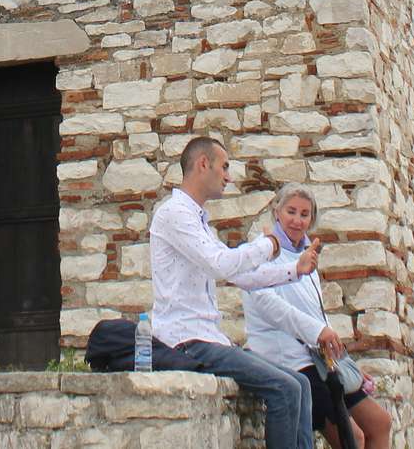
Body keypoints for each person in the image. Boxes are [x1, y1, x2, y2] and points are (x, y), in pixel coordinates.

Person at [150, 136, 320, 449]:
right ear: (204, 164)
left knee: (300, 384)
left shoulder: (200, 222)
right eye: (225, 167)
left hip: (209, 339)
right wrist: (268, 244)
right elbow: (221, 265)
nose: (229, 176)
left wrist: (294, 270)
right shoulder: (174, 214)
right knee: (285, 388)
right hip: (188, 341)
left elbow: (240, 275)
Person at [243, 183, 396, 449]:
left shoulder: (307, 257)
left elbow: (316, 313)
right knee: (353, 438)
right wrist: (317, 332)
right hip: (288, 360)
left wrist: (342, 359)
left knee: (380, 422)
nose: (297, 220)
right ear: (276, 211)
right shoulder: (262, 251)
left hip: (318, 360)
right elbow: (269, 306)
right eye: (291, 211)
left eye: (304, 214)